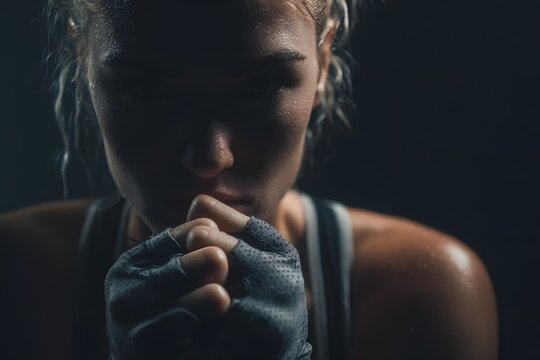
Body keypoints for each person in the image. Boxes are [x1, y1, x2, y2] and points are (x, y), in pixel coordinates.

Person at [0, 0, 498, 359]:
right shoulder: (19, 275)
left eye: (260, 86)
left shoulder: (419, 293)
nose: (208, 158)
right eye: (143, 88)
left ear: (322, 60)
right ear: (83, 59)